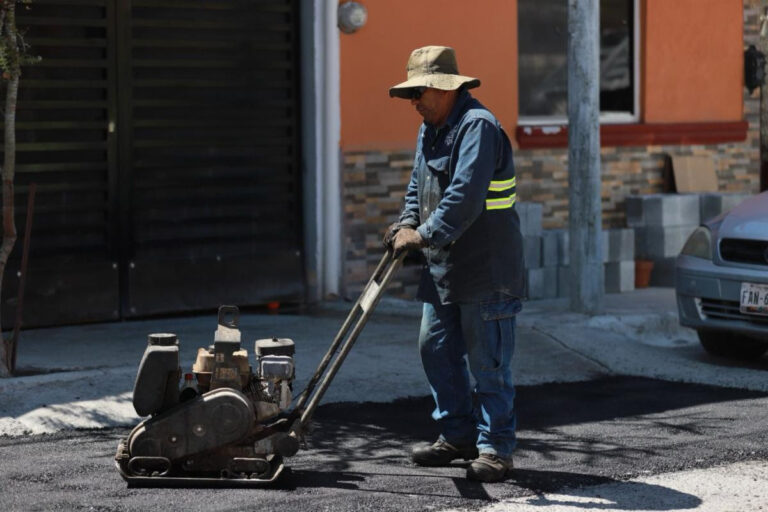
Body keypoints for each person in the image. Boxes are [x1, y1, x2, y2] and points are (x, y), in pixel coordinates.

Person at [384, 45, 526, 482]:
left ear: (445, 88)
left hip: (487, 269)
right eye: (411, 94)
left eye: (420, 92)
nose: (414, 102)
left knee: (488, 365)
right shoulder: (432, 127)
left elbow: (463, 198)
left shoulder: (477, 127)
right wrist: (406, 223)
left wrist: (422, 235)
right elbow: (417, 188)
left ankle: (495, 448)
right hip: (444, 268)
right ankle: (457, 436)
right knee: (436, 349)